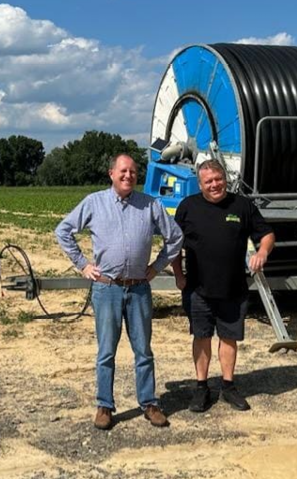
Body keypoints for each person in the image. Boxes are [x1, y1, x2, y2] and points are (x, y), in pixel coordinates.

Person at [55, 153, 183, 431]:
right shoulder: (94, 202)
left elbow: (175, 237)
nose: (128, 175)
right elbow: (63, 231)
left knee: (143, 350)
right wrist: (82, 265)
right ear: (111, 174)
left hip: (139, 289)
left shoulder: (150, 205)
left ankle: (149, 403)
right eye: (123, 171)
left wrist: (157, 267)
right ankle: (104, 405)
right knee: (106, 352)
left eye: (133, 171)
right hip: (107, 289)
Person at [171, 159, 275, 413]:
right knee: (202, 336)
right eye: (208, 181)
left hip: (233, 288)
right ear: (200, 184)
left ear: (225, 179)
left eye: (218, 179)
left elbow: (267, 234)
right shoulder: (188, 207)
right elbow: (173, 245)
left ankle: (228, 386)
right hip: (198, 289)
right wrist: (178, 275)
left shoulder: (242, 206)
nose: (215, 185)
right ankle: (201, 387)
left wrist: (262, 252)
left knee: (229, 337)